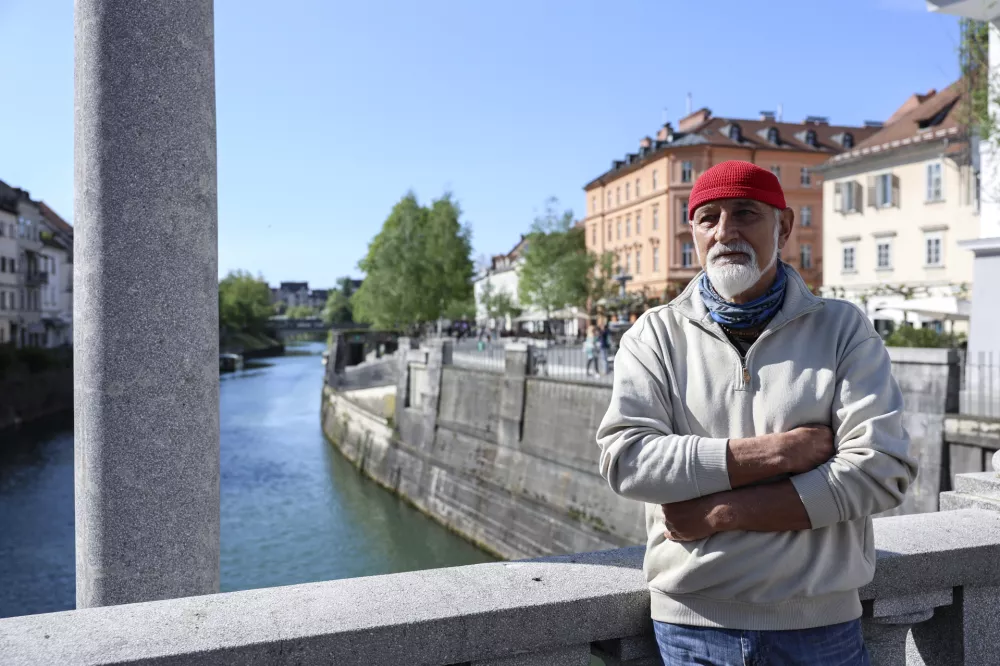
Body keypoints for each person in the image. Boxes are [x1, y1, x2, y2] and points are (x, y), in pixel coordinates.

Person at [596, 161, 917, 666]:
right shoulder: (653, 335)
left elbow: (881, 471)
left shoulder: (841, 330)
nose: (725, 231)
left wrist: (720, 514)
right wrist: (779, 453)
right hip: (690, 628)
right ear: (695, 233)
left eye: (745, 213)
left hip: (820, 627)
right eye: (708, 218)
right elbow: (626, 461)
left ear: (784, 227)